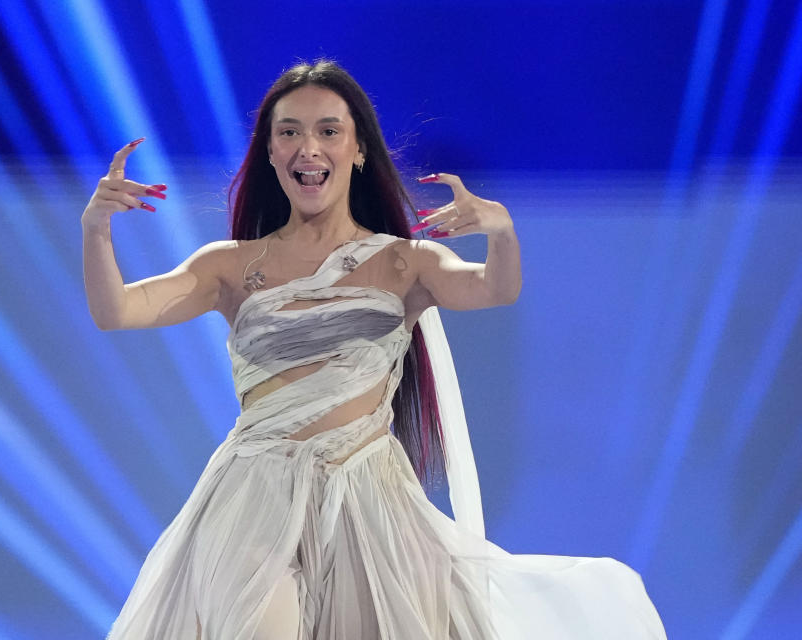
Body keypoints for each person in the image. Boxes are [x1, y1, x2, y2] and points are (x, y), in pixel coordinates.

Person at [82, 60, 666, 639]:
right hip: (253, 499)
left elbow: (494, 288)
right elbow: (118, 311)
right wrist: (97, 229)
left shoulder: (403, 262)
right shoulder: (228, 265)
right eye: (289, 132)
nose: (308, 147)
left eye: (328, 131)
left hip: (371, 501)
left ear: (359, 150)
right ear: (269, 151)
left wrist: (502, 231)